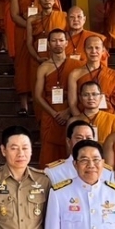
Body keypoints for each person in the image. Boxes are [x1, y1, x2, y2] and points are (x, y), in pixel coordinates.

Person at [10, 0, 60, 115]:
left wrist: (42, 25)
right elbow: (15, 16)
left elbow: (57, 16)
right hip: (24, 32)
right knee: (23, 66)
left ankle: (43, 100)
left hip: (48, 35)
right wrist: (32, 25)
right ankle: (24, 104)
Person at [32, 28, 85, 167]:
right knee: (49, 152)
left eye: (61, 40)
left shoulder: (77, 65)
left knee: (70, 146)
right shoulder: (44, 67)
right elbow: (38, 95)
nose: (58, 43)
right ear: (48, 44)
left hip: (70, 110)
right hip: (50, 113)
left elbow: (82, 92)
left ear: (66, 43)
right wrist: (54, 114)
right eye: (54, 40)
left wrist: (67, 111)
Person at [67, 36, 115, 115]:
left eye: (97, 48)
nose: (93, 51)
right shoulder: (74, 74)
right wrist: (82, 123)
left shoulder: (114, 76)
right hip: (83, 118)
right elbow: (72, 104)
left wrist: (113, 123)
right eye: (90, 48)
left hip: (108, 118)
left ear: (103, 50)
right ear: (84, 50)